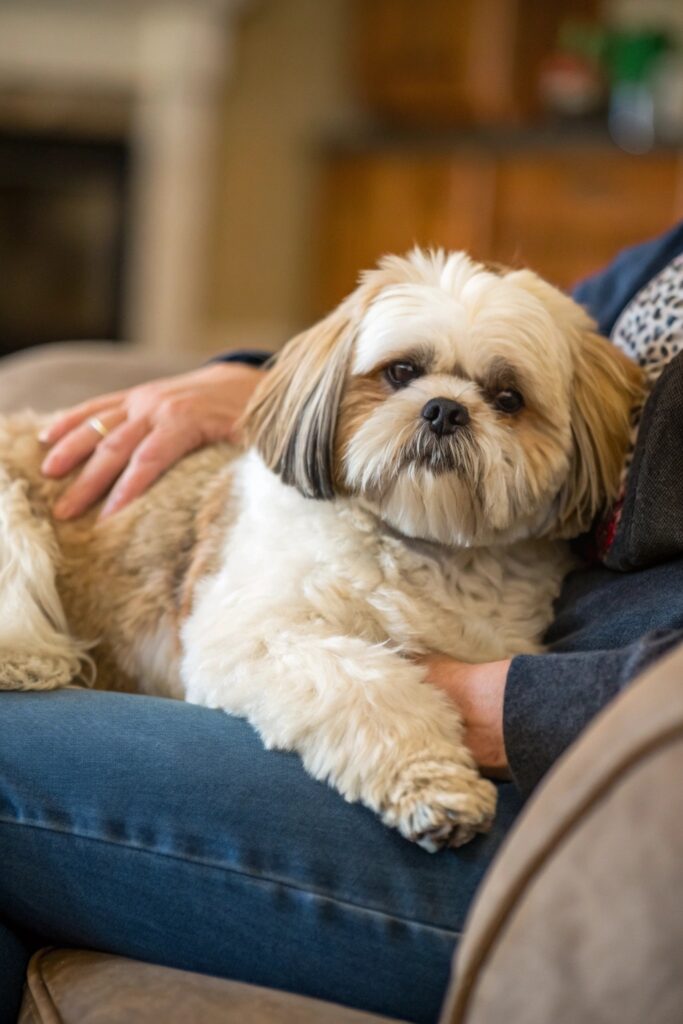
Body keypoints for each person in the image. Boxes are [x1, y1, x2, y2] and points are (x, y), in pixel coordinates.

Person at [1, 226, 683, 1024]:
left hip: (575, 827)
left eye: (504, 400)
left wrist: (512, 709)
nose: (441, 410)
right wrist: (246, 379)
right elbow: (556, 317)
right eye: (402, 374)